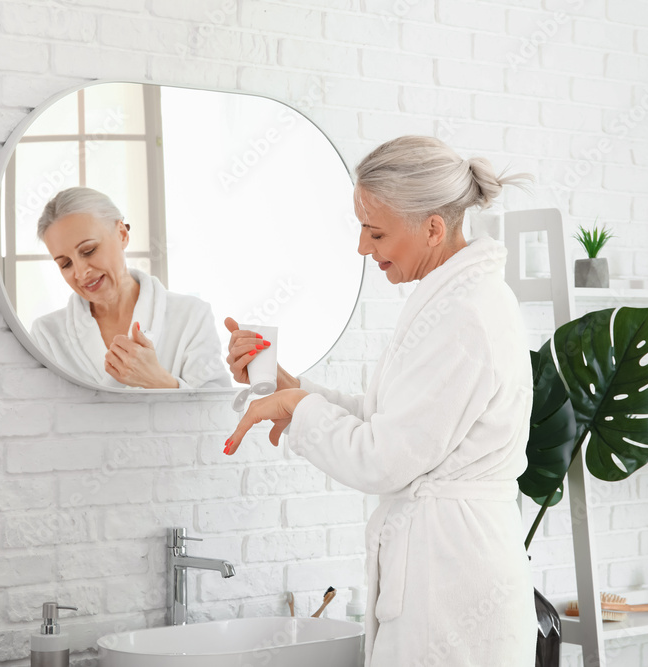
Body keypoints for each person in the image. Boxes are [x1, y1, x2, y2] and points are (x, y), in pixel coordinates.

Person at [222, 136, 536, 666]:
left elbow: (385, 459)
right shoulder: (451, 300)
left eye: (376, 232)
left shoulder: (465, 315)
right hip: (447, 570)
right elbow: (389, 427)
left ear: (433, 227)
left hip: (455, 585)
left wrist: (298, 409)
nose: (363, 249)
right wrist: (288, 389)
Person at [31, 187, 230, 389]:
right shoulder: (48, 334)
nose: (81, 273)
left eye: (89, 251)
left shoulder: (191, 316)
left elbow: (217, 411)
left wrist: (160, 382)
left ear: (122, 234)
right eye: (65, 264)